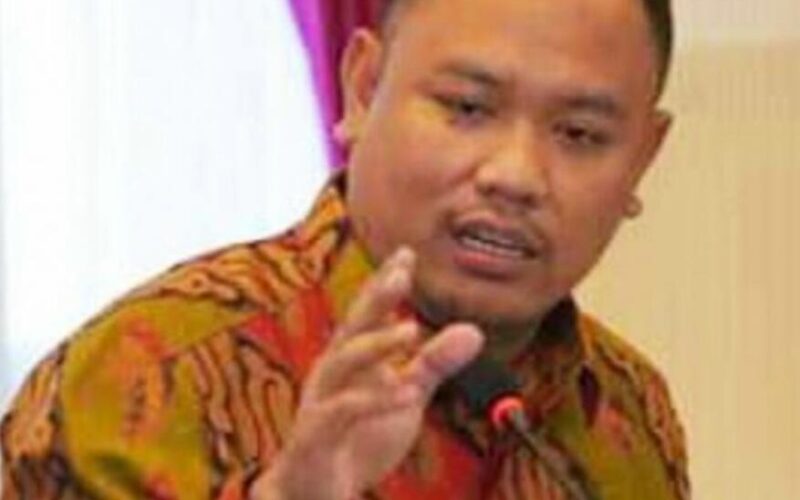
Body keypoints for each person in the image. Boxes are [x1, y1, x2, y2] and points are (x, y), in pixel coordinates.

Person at [1, 0, 689, 498]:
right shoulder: (148, 374)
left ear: (643, 159)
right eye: (468, 108)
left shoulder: (629, 409)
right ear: (362, 89)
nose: (515, 176)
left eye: (579, 135)